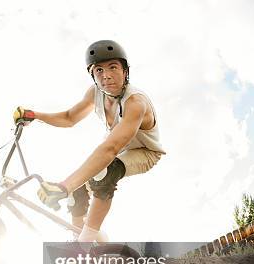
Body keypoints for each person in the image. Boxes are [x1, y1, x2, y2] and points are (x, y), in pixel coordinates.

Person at [13, 40, 165, 242]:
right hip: (117, 149)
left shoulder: (136, 102)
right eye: (99, 70)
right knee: (77, 190)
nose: (106, 75)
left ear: (126, 71)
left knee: (103, 173)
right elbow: (69, 118)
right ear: (92, 76)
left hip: (144, 152)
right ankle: (82, 237)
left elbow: (110, 148)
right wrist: (36, 115)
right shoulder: (95, 93)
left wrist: (63, 186)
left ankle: (84, 244)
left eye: (113, 67)